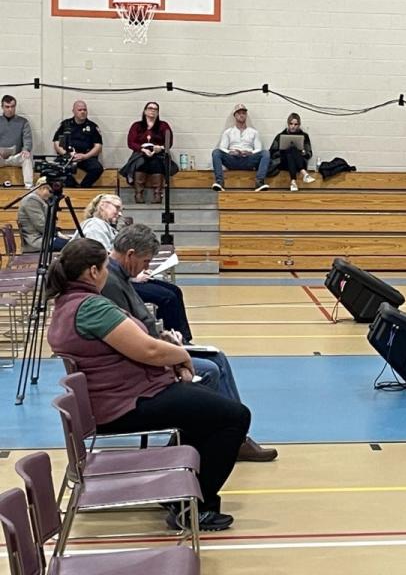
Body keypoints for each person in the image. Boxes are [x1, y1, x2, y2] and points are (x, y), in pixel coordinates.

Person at [45, 238, 249, 531]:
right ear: (92, 271)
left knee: (204, 407)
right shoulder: (91, 308)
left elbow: (137, 345)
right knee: (235, 416)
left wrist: (165, 348)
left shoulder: (67, 303)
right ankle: (195, 508)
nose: (106, 273)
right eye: (104, 268)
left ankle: (179, 492)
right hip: (124, 404)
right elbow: (148, 352)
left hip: (116, 397)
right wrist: (180, 355)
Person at [100, 224, 277, 462]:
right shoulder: (111, 282)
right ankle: (211, 435)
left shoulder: (121, 276)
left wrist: (166, 338)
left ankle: (236, 437)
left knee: (218, 357)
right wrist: (173, 352)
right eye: (145, 261)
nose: (147, 267)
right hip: (143, 360)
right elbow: (132, 338)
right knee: (211, 370)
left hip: (155, 345)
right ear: (130, 254)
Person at [75, 193, 193, 340]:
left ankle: (182, 339)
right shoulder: (94, 226)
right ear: (102, 206)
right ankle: (177, 340)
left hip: (121, 274)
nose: (119, 213)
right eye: (116, 208)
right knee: (167, 297)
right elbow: (100, 257)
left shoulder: (106, 226)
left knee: (174, 290)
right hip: (113, 278)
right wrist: (135, 277)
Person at [120, 101, 177, 204]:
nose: (152, 111)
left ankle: (158, 194)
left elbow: (169, 142)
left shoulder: (164, 125)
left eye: (155, 109)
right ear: (145, 111)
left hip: (158, 152)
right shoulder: (136, 126)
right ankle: (138, 194)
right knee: (140, 162)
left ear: (158, 113)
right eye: (150, 108)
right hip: (140, 151)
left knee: (157, 163)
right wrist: (142, 149)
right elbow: (131, 142)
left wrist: (160, 148)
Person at [212, 104, 270, 192]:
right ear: (235, 115)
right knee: (216, 152)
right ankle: (219, 182)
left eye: (243, 113)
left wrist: (250, 153)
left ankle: (259, 182)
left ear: (246, 115)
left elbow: (258, 149)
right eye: (239, 113)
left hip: (248, 160)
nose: (241, 115)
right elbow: (222, 148)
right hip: (233, 160)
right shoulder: (228, 132)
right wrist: (230, 152)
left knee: (265, 153)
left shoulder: (254, 132)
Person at [52, 100, 104, 188]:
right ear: (74, 111)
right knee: (54, 169)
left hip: (86, 157)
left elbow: (98, 147)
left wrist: (85, 156)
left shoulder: (92, 126)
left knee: (97, 168)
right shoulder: (66, 124)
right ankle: (73, 186)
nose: (83, 112)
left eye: (85, 110)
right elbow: (57, 143)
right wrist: (67, 154)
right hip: (68, 156)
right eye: (80, 110)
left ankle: (84, 187)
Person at [16, 177, 69, 253]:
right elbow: (42, 225)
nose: (51, 195)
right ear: (42, 188)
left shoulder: (40, 199)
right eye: (50, 191)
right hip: (36, 241)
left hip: (45, 237)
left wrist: (56, 203)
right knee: (72, 246)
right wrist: (57, 234)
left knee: (73, 243)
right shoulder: (31, 199)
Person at [269, 112, 316, 191]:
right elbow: (272, 153)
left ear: (299, 125)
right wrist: (281, 151)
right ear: (288, 124)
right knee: (290, 149)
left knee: (292, 149)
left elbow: (309, 153)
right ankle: (304, 173)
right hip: (284, 163)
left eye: (295, 124)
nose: (293, 126)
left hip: (299, 162)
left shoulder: (304, 136)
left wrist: (303, 152)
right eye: (291, 124)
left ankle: (293, 182)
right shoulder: (280, 136)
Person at [0, 94, 34, 187]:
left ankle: (29, 187)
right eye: (7, 107)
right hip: (0, 158)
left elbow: (27, 139)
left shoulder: (23, 122)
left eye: (12, 106)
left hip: (16, 156)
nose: (10, 109)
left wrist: (26, 149)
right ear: (2, 107)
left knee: (27, 158)